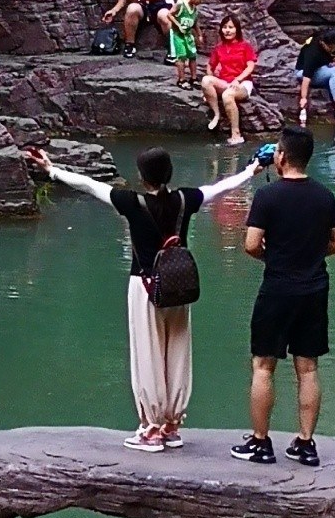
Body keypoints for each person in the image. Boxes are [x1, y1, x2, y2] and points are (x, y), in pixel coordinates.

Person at [33, 143, 266, 447]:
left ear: (143, 177)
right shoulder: (185, 199)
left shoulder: (131, 202)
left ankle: (151, 428)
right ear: (169, 173)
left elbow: (89, 186)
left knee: (148, 352)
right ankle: (172, 425)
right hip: (178, 285)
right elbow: (221, 187)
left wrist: (52, 170)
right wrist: (252, 170)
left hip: (145, 286)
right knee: (177, 349)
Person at [238, 126, 335, 466]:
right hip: (314, 288)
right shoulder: (324, 195)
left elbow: (251, 244)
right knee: (308, 367)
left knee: (263, 365)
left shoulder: (267, 197)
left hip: (278, 288)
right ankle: (305, 443)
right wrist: (313, 255)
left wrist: (276, 258)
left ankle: (260, 443)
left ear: (281, 156)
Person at [200, 12, 261, 145]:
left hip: (242, 84)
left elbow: (250, 67)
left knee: (228, 95)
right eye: (225, 27)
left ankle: (236, 134)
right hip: (225, 82)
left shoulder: (245, 46)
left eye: (231, 27)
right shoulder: (219, 48)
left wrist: (238, 79)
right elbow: (210, 65)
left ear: (237, 29)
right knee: (206, 80)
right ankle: (216, 114)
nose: (227, 30)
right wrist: (208, 89)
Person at [295, 31, 335, 126]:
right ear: (323, 44)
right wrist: (304, 98)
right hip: (304, 72)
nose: (334, 50)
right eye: (331, 48)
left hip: (325, 66)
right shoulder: (313, 52)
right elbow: (306, 78)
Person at [167, 0, 209, 89]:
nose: (200, 2)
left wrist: (199, 35)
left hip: (188, 35)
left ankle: (193, 78)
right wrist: (178, 25)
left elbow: (195, 23)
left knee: (192, 56)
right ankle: (181, 79)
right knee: (181, 56)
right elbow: (169, 14)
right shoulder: (181, 3)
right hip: (178, 35)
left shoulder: (194, 9)